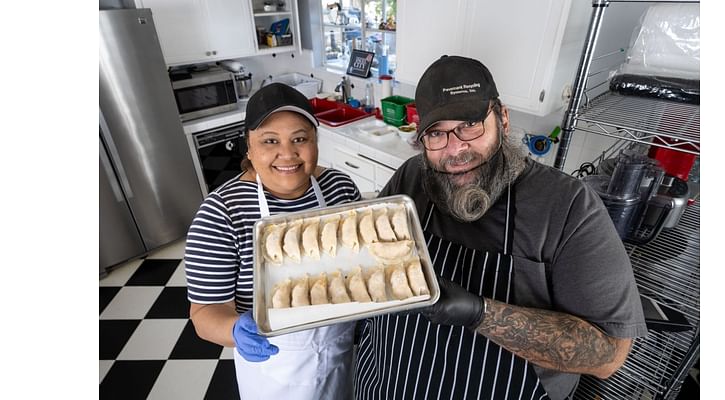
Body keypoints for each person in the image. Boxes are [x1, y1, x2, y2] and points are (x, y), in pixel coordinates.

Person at [352, 55, 647, 400]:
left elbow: (608, 355)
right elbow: (360, 254)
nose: (456, 149)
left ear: (502, 119)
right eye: (437, 134)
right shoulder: (412, 177)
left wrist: (481, 313)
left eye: (470, 125)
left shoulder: (567, 207)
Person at [184, 83, 361, 400]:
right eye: (270, 141)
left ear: (315, 142)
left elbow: (362, 260)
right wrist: (234, 331)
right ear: (249, 149)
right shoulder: (221, 214)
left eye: (300, 139)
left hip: (341, 357)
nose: (288, 153)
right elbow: (204, 314)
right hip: (276, 369)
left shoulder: (340, 188)